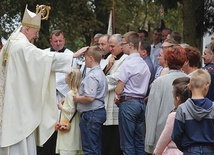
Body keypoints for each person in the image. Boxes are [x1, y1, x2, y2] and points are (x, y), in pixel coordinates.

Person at [0, 6, 86, 155]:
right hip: (20, 101)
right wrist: (72, 56)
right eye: (35, 32)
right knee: (20, 133)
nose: (37, 36)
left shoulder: (10, 43)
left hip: (12, 96)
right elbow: (44, 59)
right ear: (26, 30)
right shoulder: (22, 46)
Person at [38, 29, 79, 155]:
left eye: (60, 40)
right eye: (55, 41)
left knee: (61, 125)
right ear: (51, 41)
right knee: (46, 124)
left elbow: (73, 76)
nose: (58, 43)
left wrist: (55, 85)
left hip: (62, 97)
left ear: (64, 40)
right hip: (47, 96)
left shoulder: (71, 56)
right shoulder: (43, 54)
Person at [145, 45, 187, 155]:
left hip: (161, 136)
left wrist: (149, 141)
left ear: (167, 61)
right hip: (185, 137)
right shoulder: (190, 81)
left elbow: (152, 112)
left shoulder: (159, 82)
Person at [114, 31, 151, 155]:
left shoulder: (128, 64)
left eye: (123, 43)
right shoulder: (144, 64)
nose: (121, 46)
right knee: (139, 140)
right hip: (141, 102)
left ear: (130, 45)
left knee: (127, 142)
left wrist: (117, 95)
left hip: (128, 102)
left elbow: (118, 89)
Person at [73, 46, 108, 155]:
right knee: (95, 145)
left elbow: (90, 97)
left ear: (91, 59)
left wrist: (77, 98)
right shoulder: (101, 73)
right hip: (97, 112)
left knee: (90, 148)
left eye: (85, 58)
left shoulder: (93, 76)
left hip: (91, 113)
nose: (84, 60)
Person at [172, 69, 214, 154]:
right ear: (207, 86)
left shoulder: (182, 108)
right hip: (210, 149)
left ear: (189, 86)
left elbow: (176, 135)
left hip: (190, 149)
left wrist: (185, 148)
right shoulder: (213, 107)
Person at [153, 77, 191, 155]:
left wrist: (156, 152)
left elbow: (165, 138)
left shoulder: (175, 115)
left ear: (177, 98)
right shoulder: (195, 112)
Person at [102, 34, 127, 155]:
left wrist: (101, 81)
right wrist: (108, 66)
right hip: (107, 100)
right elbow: (102, 73)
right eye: (109, 46)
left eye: (112, 46)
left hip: (116, 99)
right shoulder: (109, 58)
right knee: (106, 138)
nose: (110, 48)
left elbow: (118, 78)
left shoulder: (126, 59)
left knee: (115, 138)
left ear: (121, 46)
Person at [55, 68, 83, 155]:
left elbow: (71, 109)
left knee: (67, 148)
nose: (64, 76)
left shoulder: (70, 93)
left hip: (68, 125)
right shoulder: (76, 92)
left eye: (66, 75)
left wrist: (61, 107)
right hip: (74, 124)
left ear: (70, 78)